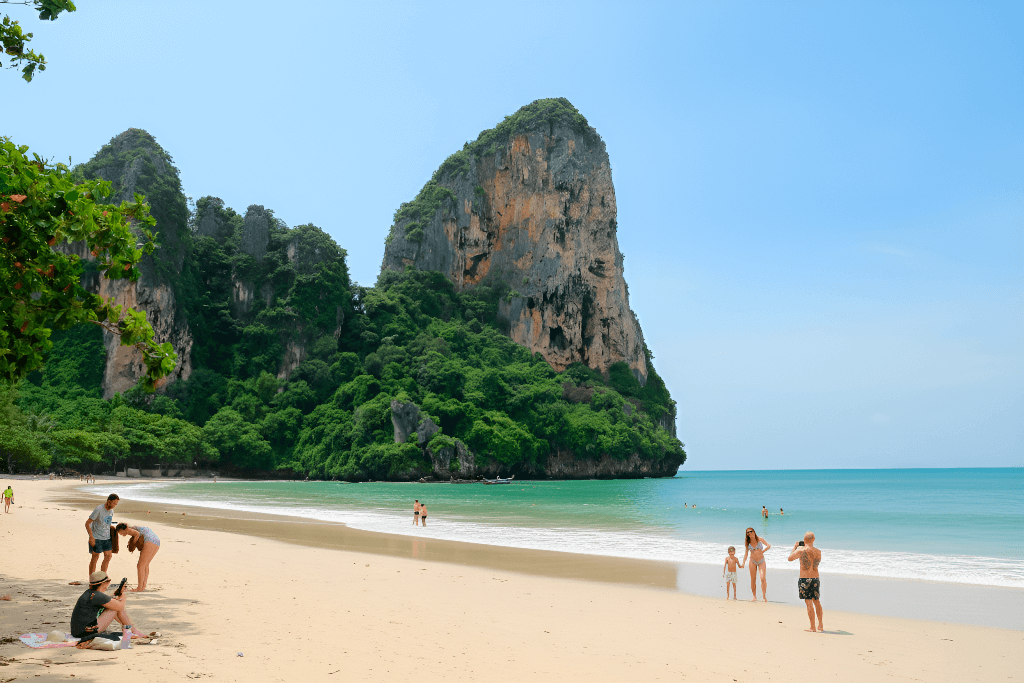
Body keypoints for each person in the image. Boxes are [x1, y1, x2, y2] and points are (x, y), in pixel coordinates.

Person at [70, 571, 144, 648]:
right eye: (108, 581)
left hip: (78, 631)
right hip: (86, 632)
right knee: (114, 609)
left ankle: (131, 630)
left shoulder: (91, 593)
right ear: (104, 583)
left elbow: (105, 599)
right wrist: (124, 595)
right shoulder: (97, 596)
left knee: (113, 606)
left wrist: (115, 595)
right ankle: (133, 631)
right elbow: (120, 607)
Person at [788, 531, 823, 632]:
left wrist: (795, 547)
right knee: (817, 601)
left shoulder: (801, 550)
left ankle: (812, 627)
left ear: (804, 540)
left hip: (804, 578)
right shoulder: (818, 552)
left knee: (809, 603)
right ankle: (820, 625)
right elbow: (815, 563)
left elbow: (790, 558)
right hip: (815, 578)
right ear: (814, 539)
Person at [115, 523, 161, 592]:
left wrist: (132, 544)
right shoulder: (132, 527)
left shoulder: (129, 530)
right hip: (156, 540)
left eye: (120, 532)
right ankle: (143, 586)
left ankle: (139, 587)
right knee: (145, 564)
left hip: (149, 540)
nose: (120, 534)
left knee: (140, 565)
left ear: (122, 529)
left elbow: (137, 534)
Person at [86, 494, 119, 576]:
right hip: (96, 537)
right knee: (95, 558)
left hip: (107, 538)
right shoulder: (98, 509)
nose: (115, 505)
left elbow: (106, 523)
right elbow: (87, 523)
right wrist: (91, 537)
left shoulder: (111, 511)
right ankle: (92, 578)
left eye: (116, 504)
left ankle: (103, 576)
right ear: (108, 501)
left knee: (108, 556)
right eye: (114, 503)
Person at [742, 527, 771, 602]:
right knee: (753, 579)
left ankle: (764, 597)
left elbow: (769, 545)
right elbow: (746, 553)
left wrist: (763, 551)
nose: (749, 533)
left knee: (762, 578)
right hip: (752, 561)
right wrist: (743, 563)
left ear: (754, 532)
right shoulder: (747, 542)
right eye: (748, 533)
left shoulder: (759, 539)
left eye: (751, 531)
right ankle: (754, 597)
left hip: (761, 561)